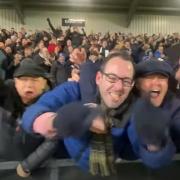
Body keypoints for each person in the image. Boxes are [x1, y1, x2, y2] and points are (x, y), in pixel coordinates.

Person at [21, 51, 175, 177]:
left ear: (132, 85)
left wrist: (154, 142)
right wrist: (55, 122)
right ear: (99, 78)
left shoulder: (135, 108)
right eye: (112, 78)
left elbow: (149, 155)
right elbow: (33, 112)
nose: (119, 87)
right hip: (67, 166)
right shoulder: (74, 91)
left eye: (126, 81)